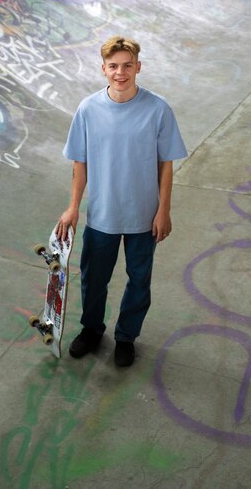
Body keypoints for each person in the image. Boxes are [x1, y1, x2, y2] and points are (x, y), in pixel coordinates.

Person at [56, 36, 187, 367]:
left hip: (144, 215)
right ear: (103, 70)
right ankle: (92, 329)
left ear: (138, 67)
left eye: (127, 65)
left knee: (139, 279)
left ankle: (126, 336)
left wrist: (164, 210)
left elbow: (166, 164)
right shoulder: (88, 109)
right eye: (113, 66)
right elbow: (79, 164)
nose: (120, 72)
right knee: (94, 278)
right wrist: (73, 208)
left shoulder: (157, 110)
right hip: (102, 215)